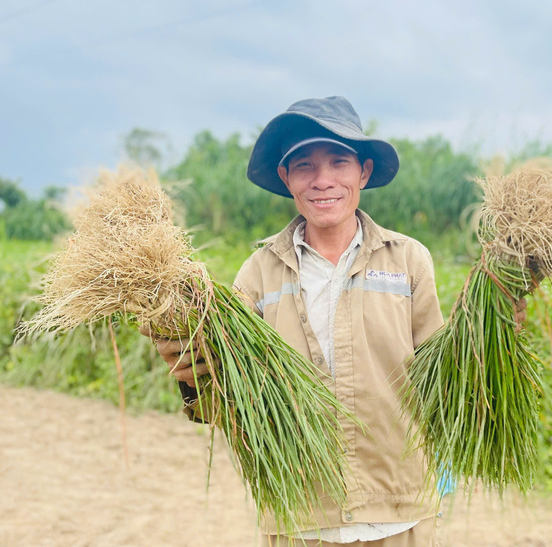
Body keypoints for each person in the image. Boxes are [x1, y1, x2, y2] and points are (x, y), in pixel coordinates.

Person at [151, 96, 445, 546]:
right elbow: (229, 400)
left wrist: (498, 325)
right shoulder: (257, 273)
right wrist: (189, 365)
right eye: (304, 165)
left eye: (338, 162)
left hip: (398, 510)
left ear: (363, 172)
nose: (322, 180)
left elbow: (443, 378)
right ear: (287, 178)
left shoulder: (408, 261)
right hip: (301, 513)